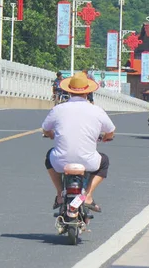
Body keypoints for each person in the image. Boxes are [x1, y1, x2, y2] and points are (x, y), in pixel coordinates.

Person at [42, 71, 115, 213]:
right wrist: (106, 137)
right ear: (87, 92)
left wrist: (51, 135)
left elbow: (45, 129)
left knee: (49, 157)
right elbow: (111, 130)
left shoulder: (58, 109)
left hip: (60, 162)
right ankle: (87, 196)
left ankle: (59, 194)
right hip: (88, 162)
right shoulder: (96, 110)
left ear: (69, 91)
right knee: (104, 161)